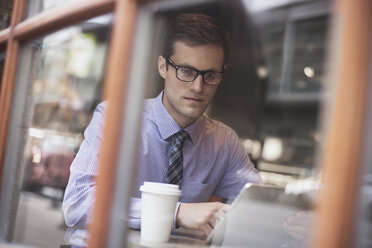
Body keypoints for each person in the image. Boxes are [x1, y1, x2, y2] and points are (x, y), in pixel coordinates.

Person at [62, 13, 262, 245]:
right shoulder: (115, 119)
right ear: (163, 67)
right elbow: (78, 203)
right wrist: (176, 212)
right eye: (186, 71)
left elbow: (257, 204)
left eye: (210, 75)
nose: (198, 87)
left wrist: (296, 219)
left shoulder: (224, 142)